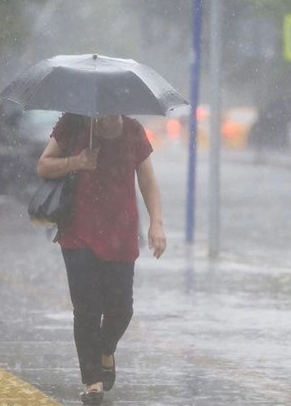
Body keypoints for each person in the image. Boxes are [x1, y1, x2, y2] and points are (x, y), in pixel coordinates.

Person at [37, 112, 166, 405]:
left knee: (122, 309)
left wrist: (156, 223)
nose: (108, 114)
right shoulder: (73, 124)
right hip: (78, 232)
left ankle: (106, 351)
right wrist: (77, 161)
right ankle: (92, 381)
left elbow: (147, 180)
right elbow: (43, 166)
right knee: (87, 309)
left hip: (120, 233)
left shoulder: (133, 131)